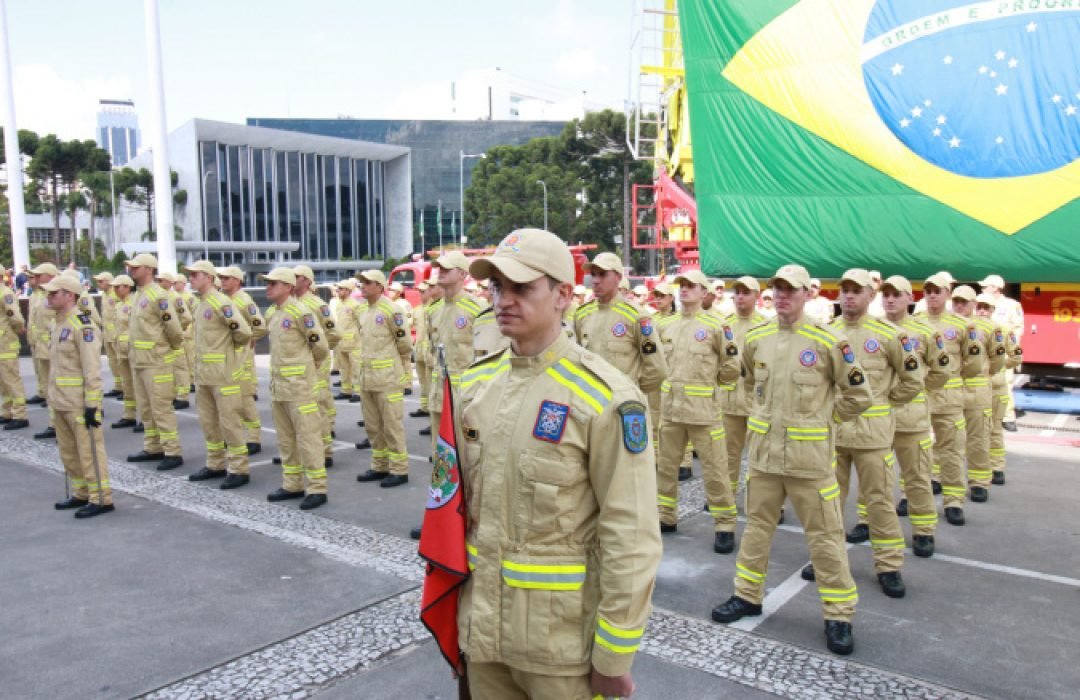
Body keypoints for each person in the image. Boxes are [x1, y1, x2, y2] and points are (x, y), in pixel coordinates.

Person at [459, 228, 661, 699]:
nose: (503, 300)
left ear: (564, 295)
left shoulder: (605, 397)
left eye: (522, 288)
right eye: (496, 287)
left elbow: (630, 536)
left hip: (560, 646)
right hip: (483, 637)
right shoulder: (475, 385)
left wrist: (614, 657)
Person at [712, 264, 871, 656]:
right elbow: (752, 384)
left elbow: (859, 395)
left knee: (826, 538)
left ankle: (838, 616)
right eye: (777, 289)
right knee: (756, 529)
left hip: (810, 461)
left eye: (791, 290)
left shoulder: (827, 341)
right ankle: (746, 595)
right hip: (766, 457)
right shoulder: (759, 338)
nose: (782, 295)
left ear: (807, 294)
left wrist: (826, 422)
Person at [801, 269, 920, 599]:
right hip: (833, 436)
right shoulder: (826, 333)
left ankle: (889, 565)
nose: (849, 296)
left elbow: (912, 381)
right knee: (828, 505)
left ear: (871, 296)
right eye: (845, 290)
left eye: (857, 291)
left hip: (872, 437)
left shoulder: (889, 334)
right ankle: (827, 561)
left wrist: (883, 403)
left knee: (880, 502)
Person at [655, 269, 740, 552]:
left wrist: (709, 387)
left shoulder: (718, 326)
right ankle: (666, 516)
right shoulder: (666, 326)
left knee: (716, 471)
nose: (685, 290)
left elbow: (731, 368)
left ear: (704, 293)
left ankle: (724, 524)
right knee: (666, 469)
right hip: (671, 411)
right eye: (682, 286)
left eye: (691, 286)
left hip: (703, 413)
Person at [878, 275, 949, 558]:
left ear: (910, 298)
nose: (891, 299)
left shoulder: (925, 331)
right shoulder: (872, 330)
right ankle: (867, 522)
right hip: (877, 419)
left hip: (911, 418)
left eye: (897, 295)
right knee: (876, 481)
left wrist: (916, 391)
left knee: (917, 477)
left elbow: (942, 370)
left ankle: (923, 531)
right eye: (886, 294)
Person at [43, 274, 113, 518]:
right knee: (69, 452)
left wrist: (93, 403)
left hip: (78, 402)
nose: (49, 297)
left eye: (54, 293)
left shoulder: (82, 325)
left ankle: (101, 498)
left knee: (89, 451)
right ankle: (81, 492)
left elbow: (91, 368)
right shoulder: (58, 323)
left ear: (69, 295)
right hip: (60, 400)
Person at [262, 267, 330, 510]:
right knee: (286, 439)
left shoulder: (301, 312)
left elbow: (320, 347)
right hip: (279, 387)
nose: (268, 287)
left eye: (273, 283)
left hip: (300, 387)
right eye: (268, 283)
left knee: (309, 438)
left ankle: (317, 488)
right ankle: (292, 484)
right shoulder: (274, 313)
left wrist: (309, 371)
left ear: (288, 287)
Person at [183, 261, 253, 488]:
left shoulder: (221, 302)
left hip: (223, 374)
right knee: (208, 422)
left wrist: (227, 356)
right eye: (190, 275)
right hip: (204, 375)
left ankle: (239, 468)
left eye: (195, 275)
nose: (191, 278)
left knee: (230, 423)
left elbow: (243, 333)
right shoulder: (199, 303)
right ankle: (215, 464)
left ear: (208, 277)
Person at [914, 272, 969, 524]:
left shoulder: (962, 325)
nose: (932, 295)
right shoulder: (912, 323)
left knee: (952, 451)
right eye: (928, 291)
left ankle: (954, 500)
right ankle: (910, 496)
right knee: (915, 452)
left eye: (938, 291)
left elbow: (974, 364)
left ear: (948, 293)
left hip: (949, 398)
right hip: (919, 396)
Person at [124, 254, 186, 471]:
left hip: (156, 361)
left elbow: (174, 329)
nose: (131, 271)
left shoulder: (159, 295)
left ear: (149, 270)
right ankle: (153, 446)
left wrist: (167, 350)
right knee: (146, 408)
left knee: (161, 408)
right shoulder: (139, 294)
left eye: (135, 267)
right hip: (140, 361)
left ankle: (172, 450)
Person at [353, 270, 412, 488]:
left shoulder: (392, 310)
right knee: (373, 426)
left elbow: (404, 344)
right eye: (361, 283)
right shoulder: (362, 311)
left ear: (379, 286)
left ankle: (399, 469)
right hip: (367, 378)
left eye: (367, 283)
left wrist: (397, 367)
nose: (362, 286)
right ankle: (380, 465)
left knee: (392, 426)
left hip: (388, 378)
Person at [950, 285, 1007, 505]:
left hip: (976, 389)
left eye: (964, 302)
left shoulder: (987, 328)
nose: (959, 305)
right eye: (956, 301)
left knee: (978, 439)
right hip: (951, 390)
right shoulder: (945, 326)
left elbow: (998, 359)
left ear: (973, 305)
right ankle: (945, 481)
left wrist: (983, 373)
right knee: (948, 441)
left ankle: (979, 482)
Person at [426, 251, 485, 453]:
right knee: (441, 453)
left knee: (468, 454)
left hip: (466, 395)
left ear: (462, 274)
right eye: (439, 268)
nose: (439, 272)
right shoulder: (433, 310)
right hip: (439, 392)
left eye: (446, 268)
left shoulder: (477, 308)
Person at [719, 276, 766, 504]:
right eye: (736, 292)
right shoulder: (724, 325)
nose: (739, 297)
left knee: (759, 457)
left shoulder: (767, 326)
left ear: (757, 296)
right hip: (728, 403)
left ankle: (759, 501)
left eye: (745, 292)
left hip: (756, 404)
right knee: (728, 455)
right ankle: (727, 497)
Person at [293, 265, 340, 467]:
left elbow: (334, 333)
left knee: (317, 405)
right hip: (297, 365)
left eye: (296, 277)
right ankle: (302, 450)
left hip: (315, 362)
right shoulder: (291, 304)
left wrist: (317, 355)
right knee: (298, 409)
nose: (291, 280)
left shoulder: (317, 304)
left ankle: (325, 451)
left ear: (306, 280)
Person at [218, 266, 267, 454]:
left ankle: (254, 438)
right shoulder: (223, 300)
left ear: (237, 280)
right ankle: (233, 435)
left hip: (241, 357)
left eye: (227, 278)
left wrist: (249, 340)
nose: (223, 281)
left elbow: (259, 326)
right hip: (227, 357)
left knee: (245, 398)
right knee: (229, 400)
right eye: (221, 278)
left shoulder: (244, 300)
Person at [975, 293, 1023, 485]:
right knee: (974, 433)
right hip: (975, 389)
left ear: (993, 310)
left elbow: (1016, 356)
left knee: (994, 429)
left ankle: (997, 468)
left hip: (996, 387)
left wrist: (999, 367)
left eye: (986, 307)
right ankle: (979, 470)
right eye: (979, 307)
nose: (982, 311)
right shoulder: (967, 330)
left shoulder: (1004, 330)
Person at [979, 275, 1024, 431]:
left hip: (1003, 351)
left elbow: (1018, 329)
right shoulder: (980, 302)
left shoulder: (1012, 305)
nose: (983, 289)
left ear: (995, 288)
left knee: (1005, 384)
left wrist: (1012, 350)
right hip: (983, 352)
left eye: (986, 286)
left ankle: (1007, 417)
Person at [27, 263, 58, 417]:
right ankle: (54, 423)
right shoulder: (40, 294)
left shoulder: (61, 292)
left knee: (58, 385)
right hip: (41, 345)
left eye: (39, 275)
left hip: (56, 347)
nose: (35, 279)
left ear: (50, 276)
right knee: (47, 385)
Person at [109, 275, 139, 430]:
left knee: (138, 385)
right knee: (127, 384)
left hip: (133, 349)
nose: (114, 289)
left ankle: (145, 418)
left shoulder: (135, 303)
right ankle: (129, 414)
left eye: (117, 286)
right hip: (121, 349)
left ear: (127, 287)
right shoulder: (119, 305)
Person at [0, 273, 29, 430]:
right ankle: (7, 412)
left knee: (11, 380)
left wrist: (19, 329)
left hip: (6, 343)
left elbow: (15, 316)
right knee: (3, 383)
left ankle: (20, 415)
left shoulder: (5, 293)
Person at [93, 272, 124, 399]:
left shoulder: (115, 294)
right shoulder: (105, 295)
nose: (98, 284)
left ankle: (125, 387)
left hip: (117, 334)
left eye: (101, 281)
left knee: (121, 362)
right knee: (113, 362)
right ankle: (118, 386)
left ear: (108, 281)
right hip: (108, 334)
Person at [331, 279, 362, 401]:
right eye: (337, 288)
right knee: (344, 369)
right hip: (341, 342)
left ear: (348, 290)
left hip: (354, 343)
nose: (337, 291)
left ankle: (358, 392)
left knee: (356, 369)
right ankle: (346, 390)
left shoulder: (355, 305)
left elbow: (361, 323)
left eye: (340, 289)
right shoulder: (339, 304)